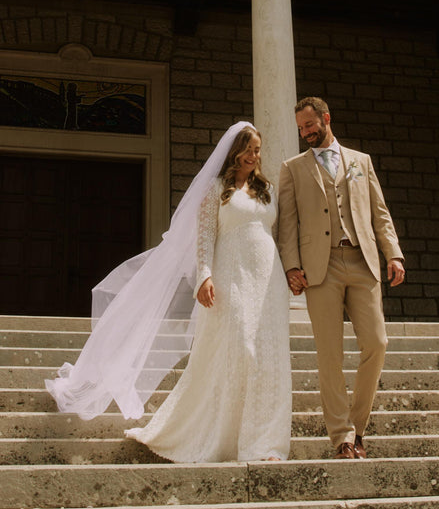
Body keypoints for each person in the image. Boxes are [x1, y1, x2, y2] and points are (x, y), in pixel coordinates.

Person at [46, 122, 291, 462]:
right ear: (234, 151)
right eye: (249, 149)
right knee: (242, 350)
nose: (254, 156)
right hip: (230, 277)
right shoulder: (216, 190)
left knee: (267, 357)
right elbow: (205, 237)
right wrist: (204, 275)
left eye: (258, 150)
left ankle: (264, 444)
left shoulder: (266, 190)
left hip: (268, 280)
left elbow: (274, 234)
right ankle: (214, 434)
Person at [277, 97, 405, 461]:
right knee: (329, 355)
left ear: (326, 118)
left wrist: (393, 253)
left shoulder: (361, 161)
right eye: (301, 129)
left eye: (309, 126)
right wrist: (291, 265)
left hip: (363, 262)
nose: (305, 133)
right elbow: (287, 223)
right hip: (321, 266)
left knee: (377, 344)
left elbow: (379, 212)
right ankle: (342, 438)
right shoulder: (292, 168)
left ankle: (358, 425)